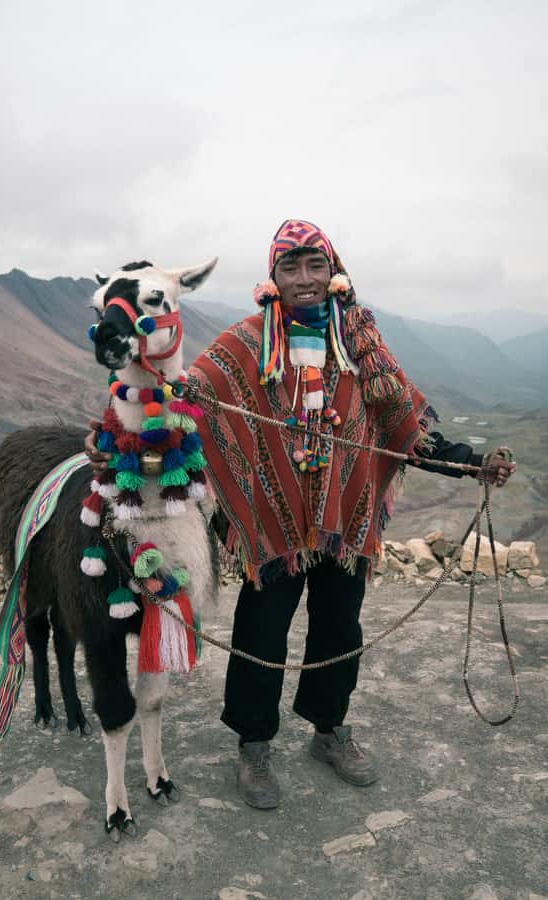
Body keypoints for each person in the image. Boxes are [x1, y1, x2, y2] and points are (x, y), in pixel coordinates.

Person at [86, 219, 516, 810]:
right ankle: (254, 742)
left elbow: (402, 428)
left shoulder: (360, 343)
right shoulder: (243, 346)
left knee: (341, 626)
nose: (304, 279)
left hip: (347, 516)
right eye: (289, 268)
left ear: (332, 269)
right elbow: (184, 397)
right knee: (262, 626)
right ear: (274, 278)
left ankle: (329, 728)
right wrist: (116, 438)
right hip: (272, 523)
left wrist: (470, 464)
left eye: (315, 265)